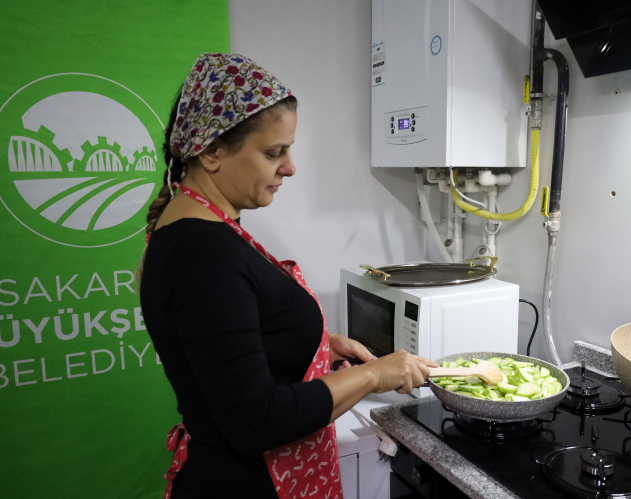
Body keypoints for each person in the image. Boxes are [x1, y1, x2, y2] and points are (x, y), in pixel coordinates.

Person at [139, 52, 437, 499]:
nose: (290, 167)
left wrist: (315, 343)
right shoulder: (201, 253)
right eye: (273, 152)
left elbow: (230, 340)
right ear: (211, 151)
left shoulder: (200, 229)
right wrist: (375, 376)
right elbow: (255, 421)